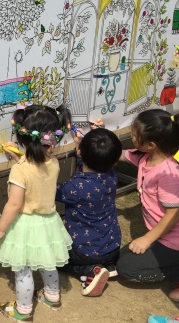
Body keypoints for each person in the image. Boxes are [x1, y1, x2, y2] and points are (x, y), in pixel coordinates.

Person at [0, 104, 73, 321]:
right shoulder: (53, 162)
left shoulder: (20, 170)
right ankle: (52, 295)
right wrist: (19, 157)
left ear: (23, 138)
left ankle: (24, 310)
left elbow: (14, 204)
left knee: (23, 269)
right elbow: (37, 174)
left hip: (25, 224)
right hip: (48, 221)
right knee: (47, 261)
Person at [116, 109, 179, 302]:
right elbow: (119, 154)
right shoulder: (146, 157)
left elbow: (173, 216)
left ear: (151, 145)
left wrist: (147, 239)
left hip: (177, 242)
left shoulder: (169, 174)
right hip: (162, 235)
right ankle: (176, 264)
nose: (132, 137)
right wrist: (97, 137)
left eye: (135, 135)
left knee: (126, 269)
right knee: (120, 257)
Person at [56, 121, 122, 297]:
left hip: (84, 252)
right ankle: (109, 265)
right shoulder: (111, 175)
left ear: (79, 153)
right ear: (115, 161)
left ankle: (89, 270)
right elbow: (93, 165)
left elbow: (49, 188)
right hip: (113, 246)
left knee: (54, 258)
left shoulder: (74, 188)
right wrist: (81, 146)